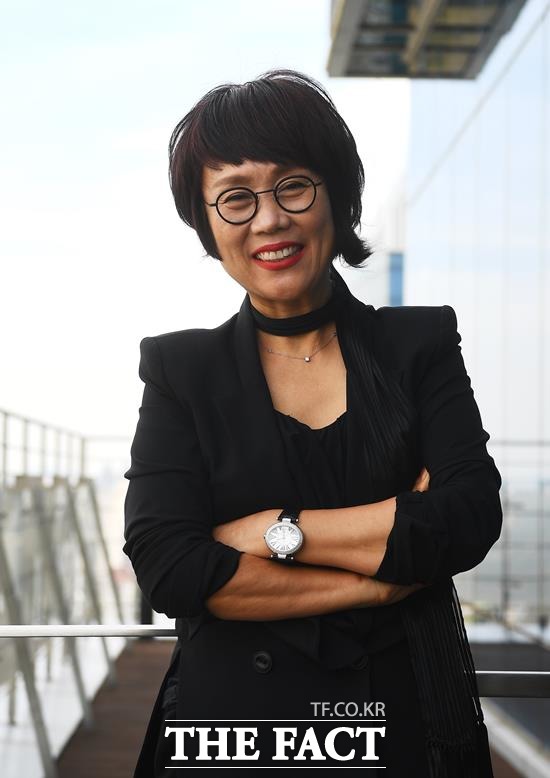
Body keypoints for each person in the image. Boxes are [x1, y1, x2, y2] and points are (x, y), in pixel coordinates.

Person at [123, 69, 502, 776]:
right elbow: (170, 567)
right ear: (208, 224)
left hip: (403, 726)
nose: (269, 220)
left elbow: (467, 516)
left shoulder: (418, 345)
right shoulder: (180, 369)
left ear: (338, 195)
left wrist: (275, 531)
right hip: (234, 737)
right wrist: (383, 579)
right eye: (235, 197)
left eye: (293, 186)